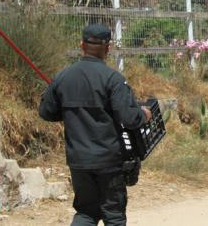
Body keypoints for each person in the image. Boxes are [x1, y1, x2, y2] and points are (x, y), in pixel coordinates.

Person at [40, 23, 152, 226]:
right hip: (108, 160)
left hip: (78, 160)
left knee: (85, 213)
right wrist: (143, 114)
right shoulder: (113, 79)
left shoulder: (63, 77)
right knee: (114, 215)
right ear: (107, 48)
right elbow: (129, 118)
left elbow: (46, 112)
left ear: (81, 45)